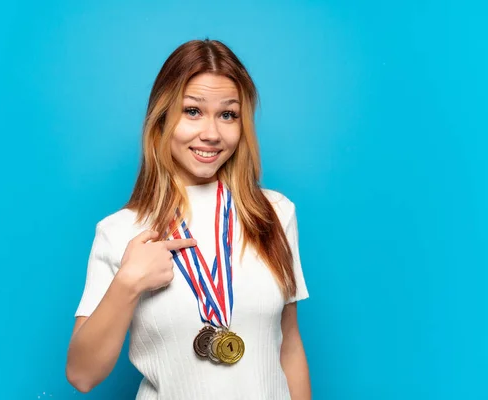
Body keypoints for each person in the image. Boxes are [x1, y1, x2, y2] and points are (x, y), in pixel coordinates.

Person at [66, 39, 311, 400]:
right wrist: (128, 282)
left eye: (228, 114)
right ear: (163, 118)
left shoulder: (273, 213)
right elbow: (81, 375)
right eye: (192, 111)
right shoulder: (119, 231)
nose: (211, 133)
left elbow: (288, 346)